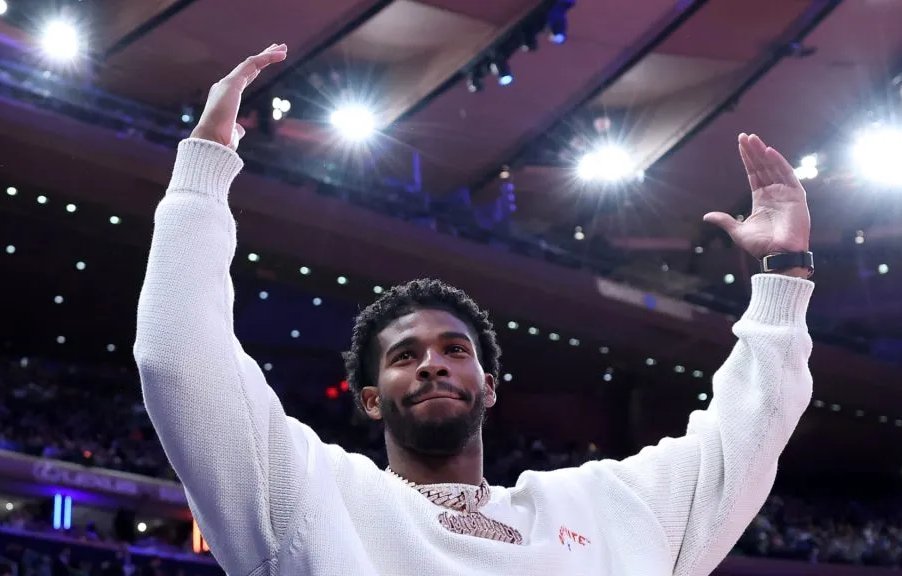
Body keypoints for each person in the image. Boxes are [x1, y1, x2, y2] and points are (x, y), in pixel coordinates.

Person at [134, 44, 815, 576]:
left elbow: (743, 443)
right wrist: (203, 171)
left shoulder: (607, 509)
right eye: (405, 356)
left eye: (455, 351)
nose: (433, 364)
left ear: (489, 387)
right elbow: (178, 362)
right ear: (371, 400)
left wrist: (783, 275)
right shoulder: (306, 497)